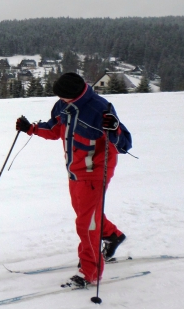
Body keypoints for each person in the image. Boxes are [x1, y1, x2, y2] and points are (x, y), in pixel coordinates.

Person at [15, 73, 132, 287]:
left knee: (86, 225)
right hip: (75, 170)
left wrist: (114, 128)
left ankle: (90, 272)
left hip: (95, 172)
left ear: (74, 95)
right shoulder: (63, 105)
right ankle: (113, 236)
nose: (59, 100)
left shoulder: (100, 108)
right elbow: (54, 129)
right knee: (87, 215)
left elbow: (124, 144)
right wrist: (30, 128)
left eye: (62, 96)